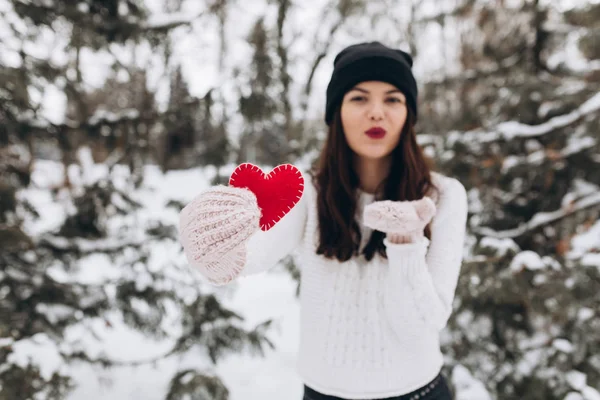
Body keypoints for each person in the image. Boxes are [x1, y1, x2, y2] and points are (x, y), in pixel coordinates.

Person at [179, 41, 467, 400]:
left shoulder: (443, 195)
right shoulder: (308, 192)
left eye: (393, 99)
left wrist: (406, 244)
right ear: (336, 112)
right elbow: (252, 255)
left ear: (409, 113)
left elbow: (423, 325)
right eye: (359, 98)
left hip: (419, 393)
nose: (377, 112)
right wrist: (211, 242)